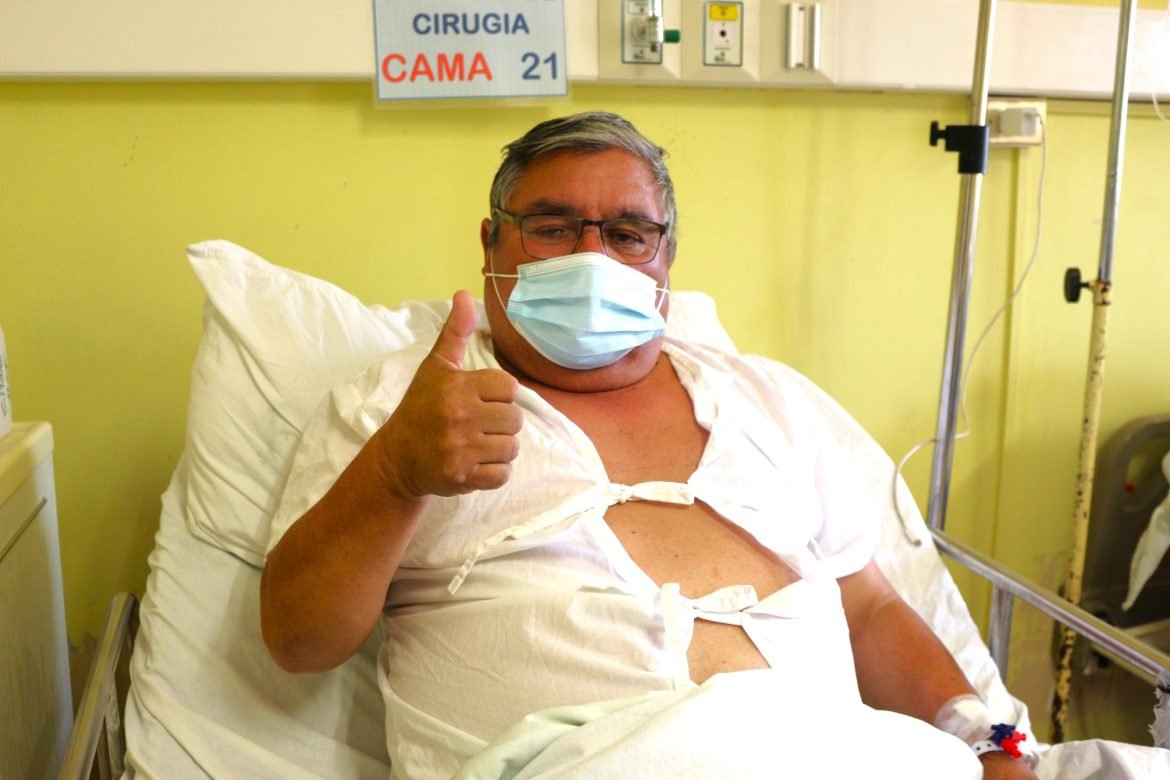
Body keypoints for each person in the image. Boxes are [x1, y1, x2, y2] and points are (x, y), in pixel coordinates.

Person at [260, 111, 1037, 779]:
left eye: (628, 235)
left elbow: (868, 609)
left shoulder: (767, 400)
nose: (591, 258)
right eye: (552, 227)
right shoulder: (403, 407)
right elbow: (299, 640)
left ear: (665, 259)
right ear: (492, 243)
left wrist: (990, 742)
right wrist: (396, 475)